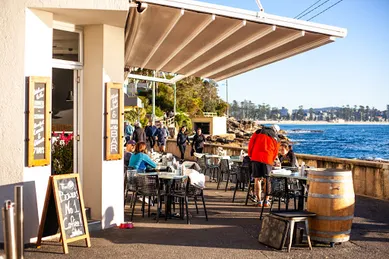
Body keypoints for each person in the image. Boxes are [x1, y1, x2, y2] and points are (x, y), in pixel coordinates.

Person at [248, 124, 280, 207]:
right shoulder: (276, 138)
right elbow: (276, 152)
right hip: (267, 159)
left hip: (256, 157)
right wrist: (272, 160)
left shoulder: (258, 132)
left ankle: (259, 201)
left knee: (257, 180)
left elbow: (251, 143)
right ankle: (266, 200)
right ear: (276, 131)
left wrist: (250, 154)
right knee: (267, 180)